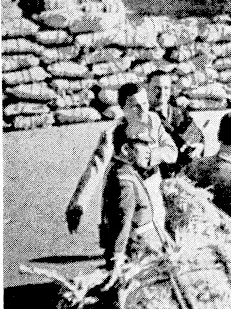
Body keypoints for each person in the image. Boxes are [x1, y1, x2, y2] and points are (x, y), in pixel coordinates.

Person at [66, 83, 178, 242]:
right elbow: (95, 169)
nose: (143, 110)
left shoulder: (154, 121)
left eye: (145, 103)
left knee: (158, 237)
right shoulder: (112, 134)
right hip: (125, 193)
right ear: (123, 108)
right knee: (124, 240)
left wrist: (151, 155)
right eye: (135, 106)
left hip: (152, 187)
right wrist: (78, 206)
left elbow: (172, 151)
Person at [100, 124, 165, 287]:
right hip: (139, 251)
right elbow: (122, 220)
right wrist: (117, 257)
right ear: (126, 149)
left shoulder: (123, 171)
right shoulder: (124, 180)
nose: (149, 150)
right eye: (143, 145)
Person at [146, 70, 205, 177]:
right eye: (157, 88)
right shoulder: (144, 117)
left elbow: (197, 135)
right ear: (147, 89)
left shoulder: (179, 113)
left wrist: (195, 146)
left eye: (166, 88)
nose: (162, 92)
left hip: (183, 173)